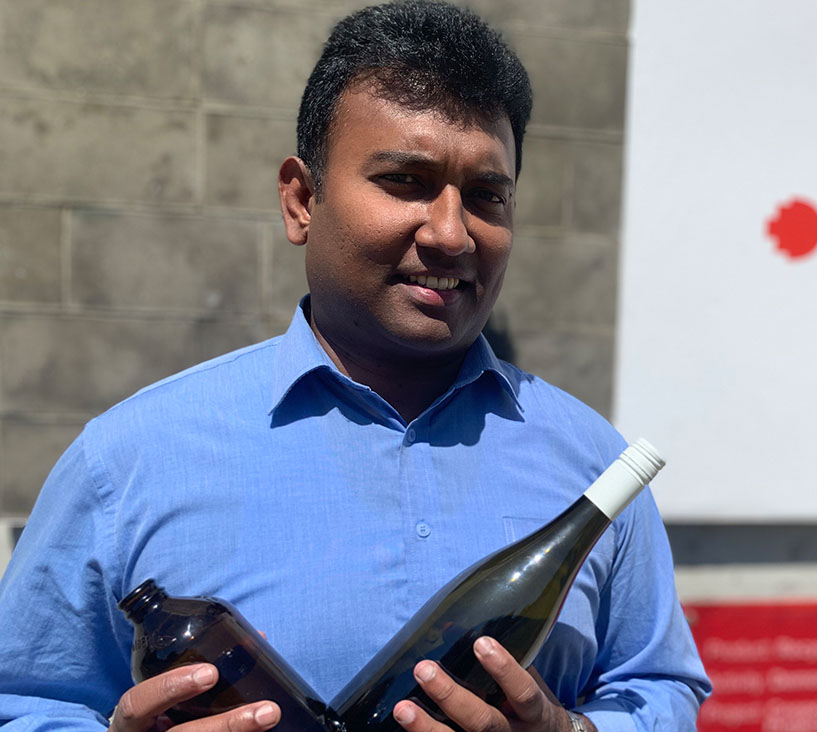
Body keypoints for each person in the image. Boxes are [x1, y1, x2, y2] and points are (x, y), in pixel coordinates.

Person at [0, 2, 710, 732]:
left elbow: (656, 684)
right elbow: (21, 704)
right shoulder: (129, 461)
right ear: (302, 200)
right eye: (406, 181)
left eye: (487, 196)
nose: (450, 232)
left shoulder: (594, 469)